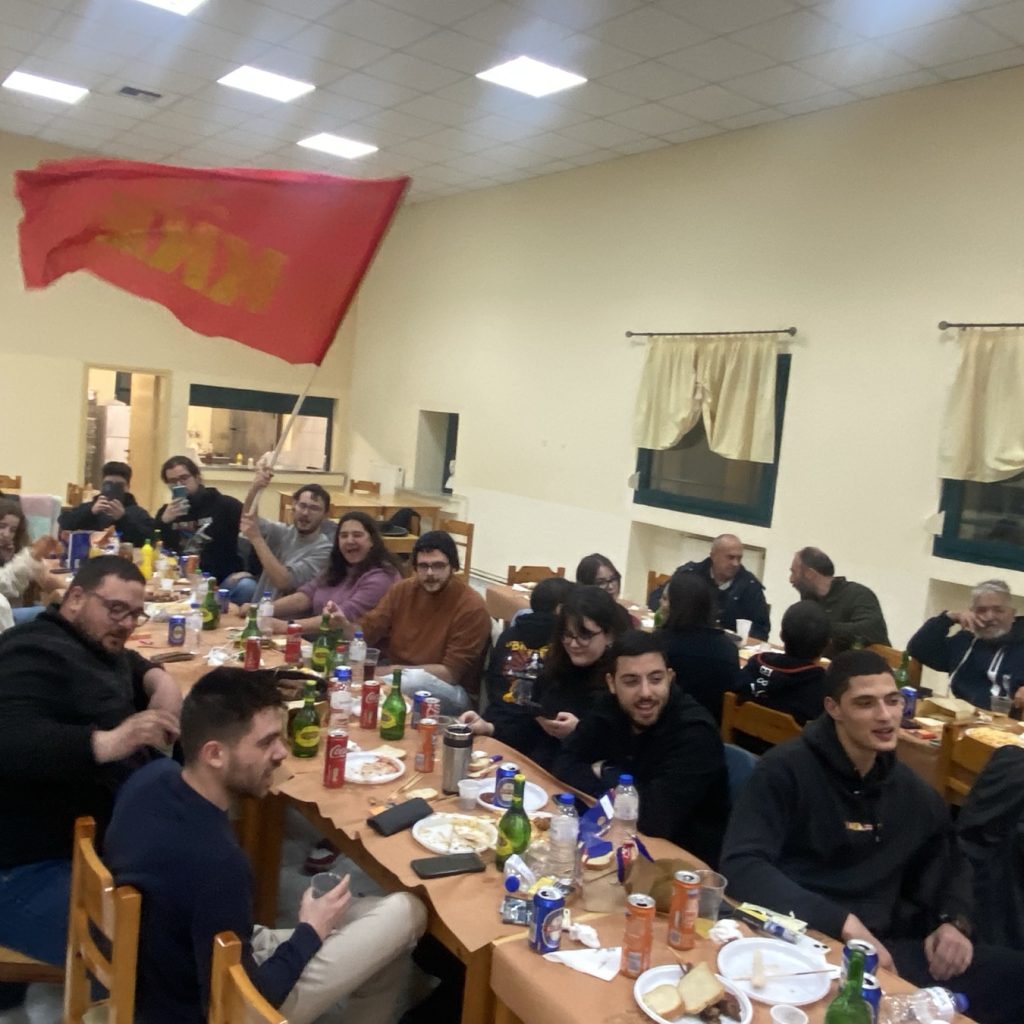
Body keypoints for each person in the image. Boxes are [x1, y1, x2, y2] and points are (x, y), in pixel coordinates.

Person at [104, 668, 427, 1024]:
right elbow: (245, 999)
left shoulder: (151, 778)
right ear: (215, 754)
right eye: (266, 742)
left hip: (170, 962)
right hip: (214, 1007)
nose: (281, 752)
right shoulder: (218, 864)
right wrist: (310, 933)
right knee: (407, 912)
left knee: (373, 923)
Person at [720, 650, 1024, 1024]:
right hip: (804, 941)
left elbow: (950, 862)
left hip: (886, 948)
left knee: (1014, 975)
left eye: (893, 701)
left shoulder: (912, 792)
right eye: (865, 704)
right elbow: (742, 865)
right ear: (833, 708)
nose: (885, 715)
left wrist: (953, 921)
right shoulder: (785, 771)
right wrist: (843, 923)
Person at [0, 555, 180, 998]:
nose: (126, 624)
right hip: (23, 867)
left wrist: (161, 682)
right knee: (148, 953)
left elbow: (131, 663)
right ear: (76, 598)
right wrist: (110, 741)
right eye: (116, 609)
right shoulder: (30, 650)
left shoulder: (97, 645)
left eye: (135, 614)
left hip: (83, 848)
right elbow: (10, 739)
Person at [555, 629, 730, 867]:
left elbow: (654, 819)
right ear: (612, 683)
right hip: (612, 838)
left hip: (680, 860)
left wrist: (605, 772)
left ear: (670, 678)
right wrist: (625, 792)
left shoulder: (695, 733)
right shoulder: (608, 706)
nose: (646, 692)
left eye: (656, 679)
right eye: (631, 682)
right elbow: (563, 764)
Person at [461, 583, 629, 771]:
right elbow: (529, 730)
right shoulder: (555, 667)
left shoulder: (620, 680)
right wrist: (489, 728)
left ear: (609, 635)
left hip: (581, 775)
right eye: (567, 635)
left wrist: (579, 732)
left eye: (585, 635)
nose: (573, 644)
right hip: (540, 767)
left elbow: (624, 750)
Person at [333, 531, 491, 715]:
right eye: (423, 566)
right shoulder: (402, 590)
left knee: (414, 680)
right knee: (340, 663)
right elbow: (366, 632)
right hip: (397, 675)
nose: (430, 573)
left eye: (438, 566)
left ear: (453, 566)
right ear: (414, 567)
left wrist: (390, 671)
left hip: (450, 690)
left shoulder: (471, 606)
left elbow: (450, 673)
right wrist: (343, 625)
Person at [266, 511, 402, 635]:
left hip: (355, 648)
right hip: (320, 641)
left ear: (372, 541)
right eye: (344, 536)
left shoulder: (382, 577)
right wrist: (263, 609)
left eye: (357, 535)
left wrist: (284, 626)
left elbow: (339, 618)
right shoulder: (338, 567)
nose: (349, 541)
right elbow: (305, 596)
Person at [907, 580, 1024, 710]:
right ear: (971, 613)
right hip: (961, 714)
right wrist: (950, 617)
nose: (990, 617)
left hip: (1008, 720)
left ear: (1012, 614)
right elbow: (918, 649)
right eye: (981, 610)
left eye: (998, 610)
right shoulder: (965, 640)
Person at [225, 466, 332, 605]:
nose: (305, 513)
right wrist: (255, 488)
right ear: (293, 507)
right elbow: (248, 519)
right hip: (258, 611)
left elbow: (283, 582)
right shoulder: (282, 531)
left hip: (284, 617)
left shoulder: (324, 550)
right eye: (302, 506)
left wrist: (256, 538)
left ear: (325, 515)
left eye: (314, 508)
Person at [735, 599, 830, 751]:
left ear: (781, 635)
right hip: (787, 761)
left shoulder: (754, 665)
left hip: (739, 748)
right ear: (827, 644)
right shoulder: (823, 689)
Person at [647, 534, 771, 640]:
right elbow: (655, 599)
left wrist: (736, 636)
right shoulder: (690, 573)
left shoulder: (750, 586)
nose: (735, 563)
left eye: (739, 558)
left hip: (726, 645)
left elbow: (762, 629)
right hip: (683, 635)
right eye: (730, 557)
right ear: (713, 555)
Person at [659, 569, 742, 724]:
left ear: (677, 606)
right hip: (713, 728)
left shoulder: (659, 645)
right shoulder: (729, 649)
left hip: (666, 727)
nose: (660, 603)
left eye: (664, 599)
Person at [154, 455, 243, 583]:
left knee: (246, 586)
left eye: (184, 478)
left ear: (197, 477)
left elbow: (257, 532)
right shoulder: (166, 512)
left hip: (221, 580)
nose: (179, 484)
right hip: (178, 580)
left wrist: (250, 572)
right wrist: (163, 522)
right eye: (172, 481)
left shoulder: (224, 505)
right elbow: (153, 548)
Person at [789, 546, 889, 651]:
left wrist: (820, 629)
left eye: (794, 572)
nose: (791, 579)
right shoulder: (809, 602)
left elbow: (871, 631)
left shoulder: (859, 594)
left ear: (810, 574)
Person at [57, 460, 155, 546]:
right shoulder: (90, 507)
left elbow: (148, 539)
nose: (113, 489)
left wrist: (123, 519)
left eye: (119, 486)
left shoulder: (138, 513)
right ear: (102, 486)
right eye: (109, 484)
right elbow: (64, 523)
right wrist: (90, 512)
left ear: (128, 487)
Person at [0, 496, 65, 625]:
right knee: (54, 614)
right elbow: (5, 585)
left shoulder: (11, 549)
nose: (6, 534)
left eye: (12, 530)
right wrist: (30, 558)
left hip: (7, 613)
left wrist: (8, 561)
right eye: (1, 526)